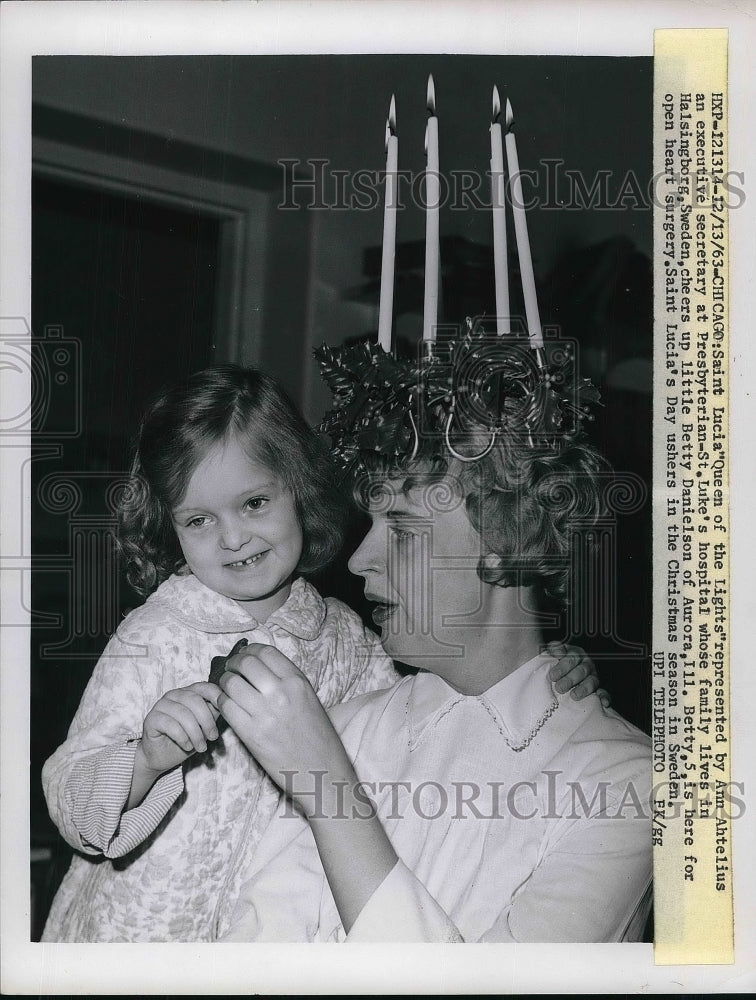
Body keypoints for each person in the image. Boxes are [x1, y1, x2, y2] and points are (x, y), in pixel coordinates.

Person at [40, 363, 597, 942]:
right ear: (171, 527)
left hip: (260, 947)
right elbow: (72, 801)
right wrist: (145, 760)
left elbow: (423, 716)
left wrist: (543, 670)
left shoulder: (346, 641)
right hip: (131, 941)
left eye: (254, 503)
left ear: (299, 489)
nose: (232, 538)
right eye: (200, 519)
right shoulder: (155, 634)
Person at [218, 333, 652, 943]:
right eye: (372, 523)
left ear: (511, 537)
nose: (361, 559)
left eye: (401, 527)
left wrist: (331, 792)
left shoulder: (624, 783)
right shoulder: (342, 730)